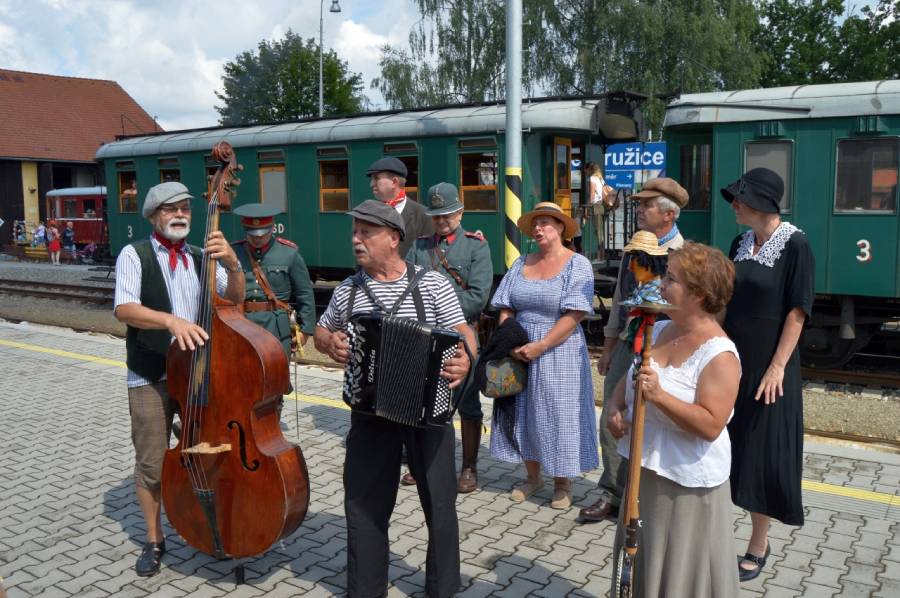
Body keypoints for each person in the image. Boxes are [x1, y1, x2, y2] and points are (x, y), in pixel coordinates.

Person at [314, 199, 475, 598]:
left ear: (393, 238)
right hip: (370, 414)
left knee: (440, 503)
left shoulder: (433, 284)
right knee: (364, 502)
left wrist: (466, 361)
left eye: (366, 233)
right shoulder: (348, 291)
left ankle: (442, 588)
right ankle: (366, 589)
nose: (356, 240)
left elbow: (464, 332)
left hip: (428, 412)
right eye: (355, 232)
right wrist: (329, 342)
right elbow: (321, 330)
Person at [113, 181, 245, 577]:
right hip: (151, 372)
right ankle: (155, 539)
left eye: (185, 208)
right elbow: (124, 309)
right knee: (152, 462)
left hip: (199, 373)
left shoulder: (201, 256)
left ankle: (208, 526)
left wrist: (233, 264)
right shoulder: (134, 254)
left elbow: (234, 299)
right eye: (170, 209)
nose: (180, 215)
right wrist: (171, 321)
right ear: (154, 216)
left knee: (208, 454)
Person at [607, 241, 741, 598]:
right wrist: (615, 408)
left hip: (685, 486)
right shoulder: (661, 328)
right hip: (645, 472)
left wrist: (660, 397)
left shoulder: (720, 354)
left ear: (698, 294)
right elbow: (631, 377)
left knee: (679, 574)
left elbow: (711, 425)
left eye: (671, 279)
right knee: (641, 562)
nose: (661, 284)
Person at [720, 168, 814, 582]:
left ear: (760, 203)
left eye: (739, 200)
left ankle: (759, 544)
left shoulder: (796, 245)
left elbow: (798, 311)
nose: (734, 206)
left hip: (769, 369)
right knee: (729, 450)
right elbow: (726, 301)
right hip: (734, 363)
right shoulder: (739, 243)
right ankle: (717, 535)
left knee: (760, 456)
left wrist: (777, 367)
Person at [579, 177, 688, 523]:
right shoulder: (634, 247)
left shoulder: (684, 255)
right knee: (611, 417)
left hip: (663, 346)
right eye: (639, 204)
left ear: (668, 214)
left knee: (651, 420)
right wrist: (609, 347)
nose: (639, 209)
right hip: (628, 344)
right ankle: (612, 492)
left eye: (647, 205)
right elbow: (619, 302)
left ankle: (640, 495)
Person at [489, 201, 597, 510]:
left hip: (559, 349)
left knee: (559, 413)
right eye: (535, 224)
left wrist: (543, 344)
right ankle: (533, 477)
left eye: (545, 222)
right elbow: (506, 305)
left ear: (561, 227)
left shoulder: (577, 264)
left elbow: (575, 313)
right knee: (524, 411)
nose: (538, 228)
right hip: (520, 347)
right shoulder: (521, 262)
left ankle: (562, 482)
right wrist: (510, 341)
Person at [400, 182, 493, 492]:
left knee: (467, 402)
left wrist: (438, 309)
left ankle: (469, 467)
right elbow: (408, 286)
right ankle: (424, 463)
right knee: (424, 399)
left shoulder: (476, 246)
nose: (442, 221)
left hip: (460, 335)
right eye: (437, 216)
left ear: (460, 212)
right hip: (425, 335)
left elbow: (478, 297)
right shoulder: (420, 247)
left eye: (448, 215)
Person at [230, 203, 316, 359]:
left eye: (262, 234)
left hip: (275, 327)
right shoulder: (233, 253)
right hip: (242, 324)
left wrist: (305, 331)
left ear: (271, 228)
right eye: (252, 234)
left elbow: (305, 294)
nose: (257, 239)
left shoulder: (289, 254)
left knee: (277, 371)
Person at [366, 156, 432, 257]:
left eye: (376, 178)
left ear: (394, 182)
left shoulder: (424, 216)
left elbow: (429, 257)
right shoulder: (368, 214)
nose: (371, 184)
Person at [586, 162, 615, 260]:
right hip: (602, 206)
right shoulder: (600, 179)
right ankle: (601, 255)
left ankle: (600, 255)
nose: (585, 172)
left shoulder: (592, 178)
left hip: (596, 206)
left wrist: (587, 207)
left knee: (598, 231)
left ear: (590, 170)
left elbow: (591, 195)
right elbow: (603, 195)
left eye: (586, 170)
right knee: (600, 231)